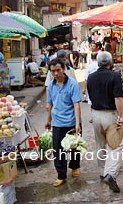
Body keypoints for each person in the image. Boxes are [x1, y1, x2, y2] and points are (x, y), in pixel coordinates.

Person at [87, 51, 123, 193]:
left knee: (100, 143)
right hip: (110, 114)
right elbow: (119, 98)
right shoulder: (115, 76)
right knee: (116, 145)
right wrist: (121, 116)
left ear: (98, 63)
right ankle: (111, 174)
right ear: (111, 63)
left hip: (95, 114)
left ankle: (103, 173)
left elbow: (90, 95)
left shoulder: (90, 77)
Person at [45, 58, 82, 187]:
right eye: (53, 71)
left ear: (64, 69)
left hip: (71, 121)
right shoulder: (50, 86)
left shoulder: (72, 84)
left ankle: (75, 166)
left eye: (58, 70)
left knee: (74, 148)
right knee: (58, 150)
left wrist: (77, 123)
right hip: (57, 123)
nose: (55, 73)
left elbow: (76, 104)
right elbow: (49, 104)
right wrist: (48, 119)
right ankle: (61, 175)